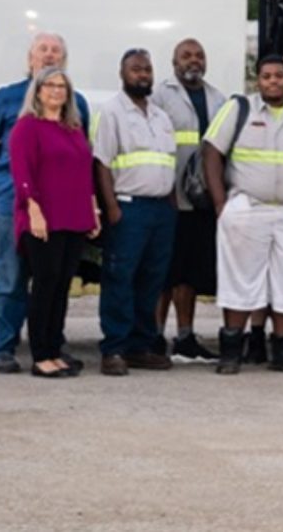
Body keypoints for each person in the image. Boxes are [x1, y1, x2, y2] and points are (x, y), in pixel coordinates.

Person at [201, 56, 283, 375]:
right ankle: (231, 351)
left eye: (279, 76)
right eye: (266, 76)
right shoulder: (238, 109)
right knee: (240, 280)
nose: (273, 81)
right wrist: (221, 204)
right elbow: (211, 153)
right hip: (248, 208)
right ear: (257, 80)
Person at [0, 33, 89, 374]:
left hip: (63, 209)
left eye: (57, 51)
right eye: (43, 49)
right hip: (18, 202)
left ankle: (52, 346)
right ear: (30, 59)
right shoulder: (7, 100)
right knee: (12, 277)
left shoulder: (77, 104)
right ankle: (4, 348)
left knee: (53, 280)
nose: (50, 54)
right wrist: (9, 179)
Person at [89, 49, 179, 376]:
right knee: (120, 278)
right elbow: (101, 163)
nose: (143, 74)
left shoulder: (160, 116)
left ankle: (140, 346)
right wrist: (110, 206)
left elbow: (167, 162)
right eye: (136, 69)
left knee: (151, 281)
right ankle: (114, 348)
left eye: (147, 69)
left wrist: (170, 204)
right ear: (122, 73)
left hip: (160, 211)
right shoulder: (111, 112)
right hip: (128, 208)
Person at [10, 67, 99, 379]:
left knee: (62, 286)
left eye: (62, 86)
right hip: (43, 218)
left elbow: (84, 173)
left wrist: (92, 209)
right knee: (45, 284)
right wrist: (32, 209)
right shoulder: (27, 128)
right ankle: (40, 355)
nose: (56, 91)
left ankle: (54, 349)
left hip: (73, 217)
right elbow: (22, 173)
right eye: (50, 85)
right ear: (37, 91)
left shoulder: (73, 128)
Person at [150, 37, 229, 364]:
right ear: (174, 62)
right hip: (170, 197)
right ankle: (154, 335)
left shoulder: (217, 98)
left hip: (201, 200)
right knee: (164, 273)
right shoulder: (160, 97)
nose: (193, 60)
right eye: (186, 56)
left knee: (189, 273)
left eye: (199, 55)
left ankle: (185, 336)